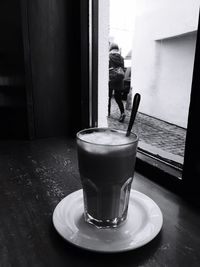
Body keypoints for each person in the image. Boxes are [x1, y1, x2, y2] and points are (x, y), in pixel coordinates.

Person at [108, 42, 126, 123]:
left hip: (111, 79)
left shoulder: (109, 56)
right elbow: (123, 68)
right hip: (119, 80)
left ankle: (107, 112)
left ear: (110, 48)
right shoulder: (121, 58)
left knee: (108, 97)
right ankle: (122, 113)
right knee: (118, 98)